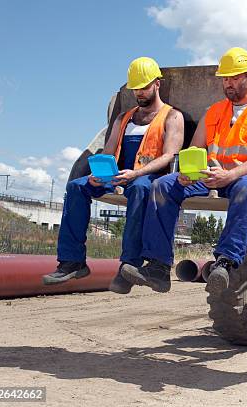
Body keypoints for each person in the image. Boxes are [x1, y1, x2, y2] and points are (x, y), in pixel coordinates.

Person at [121, 47, 247, 294]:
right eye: (225, 79)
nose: (228, 84)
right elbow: (194, 149)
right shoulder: (215, 111)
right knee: (163, 185)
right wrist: (188, 172)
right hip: (212, 176)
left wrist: (231, 175)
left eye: (233, 78)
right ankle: (158, 267)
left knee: (246, 188)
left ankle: (226, 263)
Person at [42, 57, 184, 294]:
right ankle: (72, 261)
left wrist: (136, 173)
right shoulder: (123, 119)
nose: (139, 93)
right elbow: (108, 153)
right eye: (136, 88)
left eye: (144, 87)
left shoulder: (172, 117)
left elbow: (170, 155)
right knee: (77, 186)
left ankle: (129, 265)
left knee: (140, 189)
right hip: (117, 176)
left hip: (146, 177)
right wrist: (98, 176)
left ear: (157, 84)